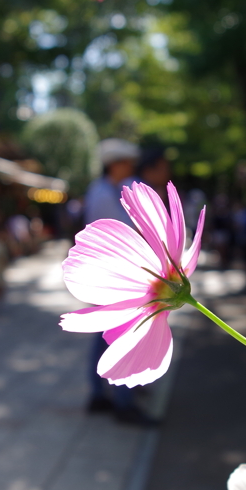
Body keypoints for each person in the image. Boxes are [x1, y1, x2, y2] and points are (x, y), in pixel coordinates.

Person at [82, 139, 156, 426]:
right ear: (114, 164)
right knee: (122, 336)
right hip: (112, 275)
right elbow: (125, 234)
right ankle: (123, 402)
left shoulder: (106, 191)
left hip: (109, 274)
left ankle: (99, 394)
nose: (131, 167)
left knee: (106, 335)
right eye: (126, 162)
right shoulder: (103, 195)